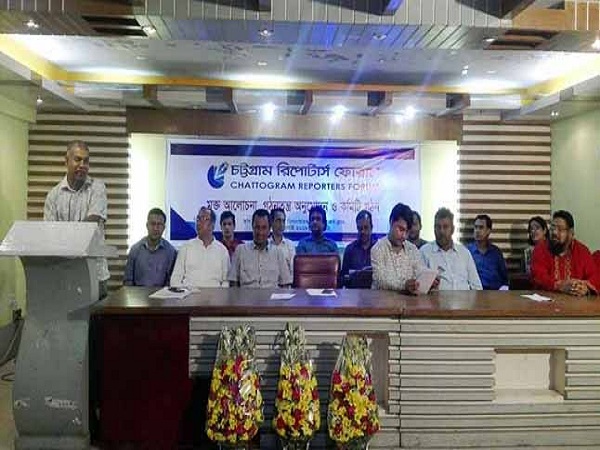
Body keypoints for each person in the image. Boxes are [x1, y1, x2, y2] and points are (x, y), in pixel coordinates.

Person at [43, 140, 110, 299]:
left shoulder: (97, 188)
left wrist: (63, 236)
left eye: (86, 161)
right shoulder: (53, 196)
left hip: (95, 273)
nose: (82, 165)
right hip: (64, 275)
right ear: (66, 161)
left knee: (95, 316)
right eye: (77, 159)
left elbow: (91, 224)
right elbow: (50, 235)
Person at [531, 210, 599, 295]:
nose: (554, 232)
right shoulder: (541, 249)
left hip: (577, 302)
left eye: (560, 229)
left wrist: (585, 288)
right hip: (547, 301)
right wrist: (560, 285)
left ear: (571, 233)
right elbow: (538, 277)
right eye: (552, 228)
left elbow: (595, 276)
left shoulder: (582, 251)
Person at [372, 203, 434, 294]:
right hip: (382, 301)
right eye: (401, 229)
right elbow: (380, 280)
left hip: (409, 302)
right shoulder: (378, 249)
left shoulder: (412, 249)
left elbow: (420, 271)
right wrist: (404, 285)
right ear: (391, 222)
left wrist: (429, 281)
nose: (404, 236)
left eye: (407, 232)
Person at [421, 207, 482, 290]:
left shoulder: (464, 253)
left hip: (465, 298)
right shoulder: (425, 252)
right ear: (434, 229)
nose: (441, 231)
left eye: (445, 227)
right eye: (438, 227)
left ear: (452, 229)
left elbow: (477, 286)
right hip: (438, 298)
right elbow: (421, 289)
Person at [228, 209, 292, 288]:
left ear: (269, 229)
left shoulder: (278, 253)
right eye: (257, 227)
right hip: (246, 295)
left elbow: (285, 284)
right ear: (252, 227)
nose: (260, 232)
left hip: (271, 295)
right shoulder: (240, 251)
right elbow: (233, 283)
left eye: (264, 228)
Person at [170, 207, 229, 288]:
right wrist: (183, 293)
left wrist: (219, 294)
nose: (198, 223)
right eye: (198, 219)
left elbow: (226, 281)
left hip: (214, 294)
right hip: (189, 293)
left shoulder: (222, 250)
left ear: (212, 225)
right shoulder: (186, 247)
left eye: (204, 219)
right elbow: (175, 279)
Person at [123, 208, 177, 286]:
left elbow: (171, 282)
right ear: (147, 225)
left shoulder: (171, 252)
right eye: (153, 224)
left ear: (164, 228)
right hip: (138, 293)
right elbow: (128, 281)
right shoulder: (135, 249)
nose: (155, 228)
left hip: (161, 293)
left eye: (159, 224)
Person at [467, 214, 508, 290]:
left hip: (495, 293)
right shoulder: (467, 251)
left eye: (481, 227)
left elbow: (504, 277)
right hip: (475, 292)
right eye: (475, 227)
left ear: (488, 231)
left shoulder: (496, 252)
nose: (477, 231)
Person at [341, 210, 377, 287]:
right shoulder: (349, 249)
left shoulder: (379, 249)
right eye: (360, 228)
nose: (362, 231)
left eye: (366, 228)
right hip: (354, 291)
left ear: (371, 228)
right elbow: (343, 278)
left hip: (374, 291)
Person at [269, 208, 295, 273]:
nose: (281, 224)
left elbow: (292, 270)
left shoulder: (290, 245)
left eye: (283, 221)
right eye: (278, 220)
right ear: (271, 222)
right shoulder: (265, 244)